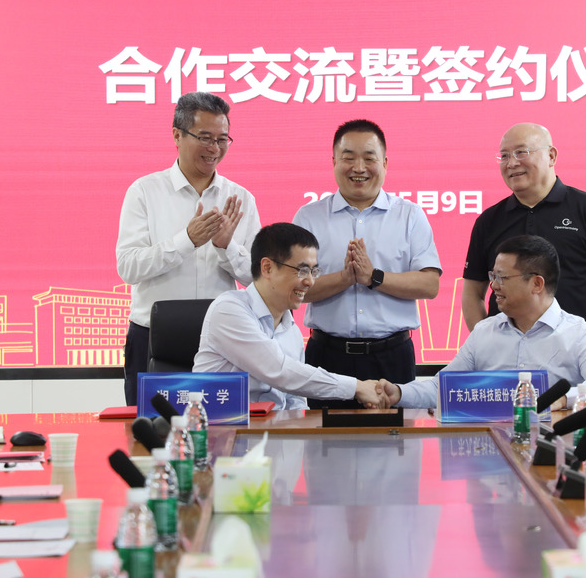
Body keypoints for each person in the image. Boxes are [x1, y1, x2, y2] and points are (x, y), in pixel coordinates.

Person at [462, 123, 586, 384]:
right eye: (504, 156)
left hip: (573, 352)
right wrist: (487, 343)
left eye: (521, 152)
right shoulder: (489, 221)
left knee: (575, 406)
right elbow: (472, 292)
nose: (511, 163)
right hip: (508, 357)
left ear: (551, 155)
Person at [116, 92, 260, 405]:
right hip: (153, 338)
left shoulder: (240, 199)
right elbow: (128, 267)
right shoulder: (144, 192)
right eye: (205, 138)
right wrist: (187, 240)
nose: (215, 149)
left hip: (220, 338)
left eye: (222, 139)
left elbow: (257, 278)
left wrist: (226, 247)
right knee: (152, 429)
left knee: (222, 429)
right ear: (177, 135)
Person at [379, 235, 586, 410]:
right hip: (489, 455)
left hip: (553, 455)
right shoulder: (484, 332)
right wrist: (398, 393)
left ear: (537, 283)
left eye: (502, 278)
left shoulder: (580, 334)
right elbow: (442, 388)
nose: (493, 286)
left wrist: (564, 399)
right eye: (493, 276)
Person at [292, 119, 442, 408]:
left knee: (394, 436)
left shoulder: (409, 216)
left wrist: (374, 277)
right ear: (334, 162)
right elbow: (294, 289)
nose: (358, 168)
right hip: (327, 357)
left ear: (384, 163)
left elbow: (429, 284)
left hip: (392, 357)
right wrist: (344, 279)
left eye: (369, 158)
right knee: (321, 437)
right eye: (348, 158)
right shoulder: (309, 217)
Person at [193, 222, 385, 408]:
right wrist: (356, 387)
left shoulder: (292, 331)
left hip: (274, 427)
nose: (310, 281)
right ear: (267, 268)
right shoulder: (229, 309)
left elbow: (295, 400)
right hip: (223, 426)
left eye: (314, 271)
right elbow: (279, 370)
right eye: (302, 271)